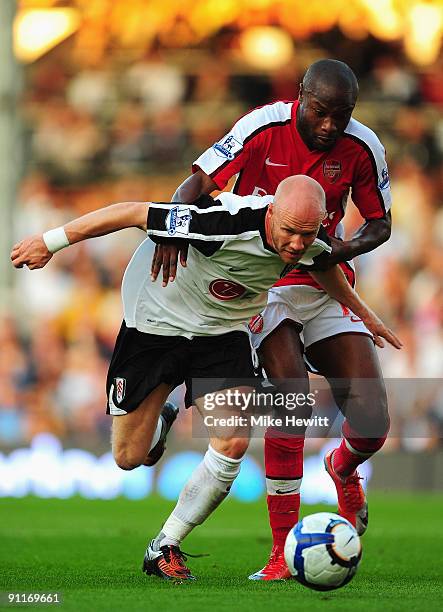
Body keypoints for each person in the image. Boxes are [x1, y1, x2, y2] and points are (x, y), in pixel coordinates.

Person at [11, 175, 400, 581]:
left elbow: (323, 265)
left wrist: (365, 315)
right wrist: (50, 242)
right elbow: (131, 212)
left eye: (307, 233)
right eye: (289, 232)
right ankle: (161, 416)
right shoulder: (221, 222)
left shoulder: (308, 242)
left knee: (233, 439)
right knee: (129, 458)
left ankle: (165, 545)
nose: (297, 244)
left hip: (220, 337)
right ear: (272, 213)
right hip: (155, 327)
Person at [150, 59, 394, 580]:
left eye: (342, 115)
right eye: (321, 112)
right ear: (301, 97)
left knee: (372, 422)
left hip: (328, 281)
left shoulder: (363, 146)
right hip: (266, 285)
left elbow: (381, 222)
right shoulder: (261, 128)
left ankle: (343, 468)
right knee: (290, 396)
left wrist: (341, 249)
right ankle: (282, 554)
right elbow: (196, 181)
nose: (331, 125)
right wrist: (172, 228)